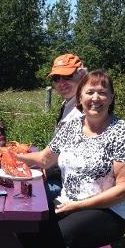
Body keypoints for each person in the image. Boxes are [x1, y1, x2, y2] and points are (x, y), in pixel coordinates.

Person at [18, 69, 125, 248]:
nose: (96, 98)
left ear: (111, 97)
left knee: (49, 241)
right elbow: (44, 159)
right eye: (90, 92)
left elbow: (124, 189)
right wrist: (10, 155)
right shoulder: (72, 127)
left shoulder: (123, 132)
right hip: (67, 203)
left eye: (102, 92)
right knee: (24, 229)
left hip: (106, 211)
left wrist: (76, 206)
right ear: (80, 97)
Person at [45, 53, 87, 201]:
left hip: (69, 186)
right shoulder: (69, 103)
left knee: (28, 197)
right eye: (56, 78)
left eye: (67, 77)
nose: (61, 83)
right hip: (59, 177)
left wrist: (43, 169)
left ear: (82, 76)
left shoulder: (83, 108)